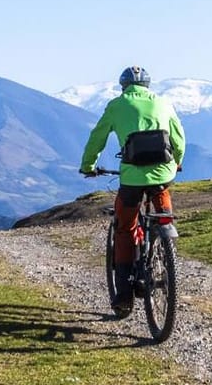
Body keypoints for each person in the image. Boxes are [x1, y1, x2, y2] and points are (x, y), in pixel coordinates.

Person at [79, 65, 186, 317]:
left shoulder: (116, 105)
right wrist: (177, 161)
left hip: (132, 178)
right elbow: (179, 138)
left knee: (125, 227)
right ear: (147, 86)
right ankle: (164, 240)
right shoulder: (164, 102)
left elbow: (98, 137)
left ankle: (124, 295)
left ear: (124, 85)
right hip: (163, 174)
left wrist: (88, 165)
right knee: (162, 209)